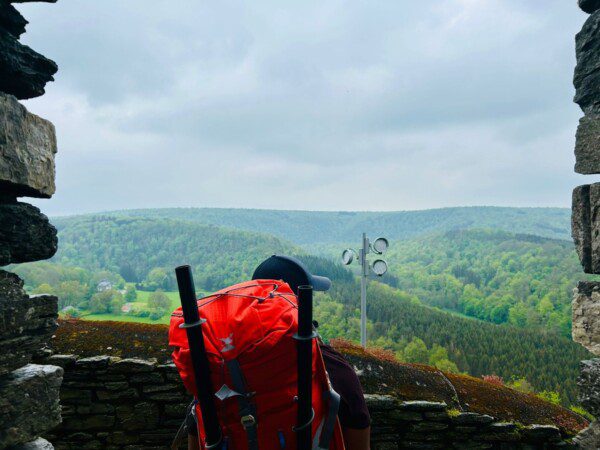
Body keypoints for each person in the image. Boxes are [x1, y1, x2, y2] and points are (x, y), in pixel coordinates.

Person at [186, 255, 371, 450]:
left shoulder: (219, 371)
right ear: (301, 303)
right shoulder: (334, 368)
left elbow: (197, 441)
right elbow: (360, 442)